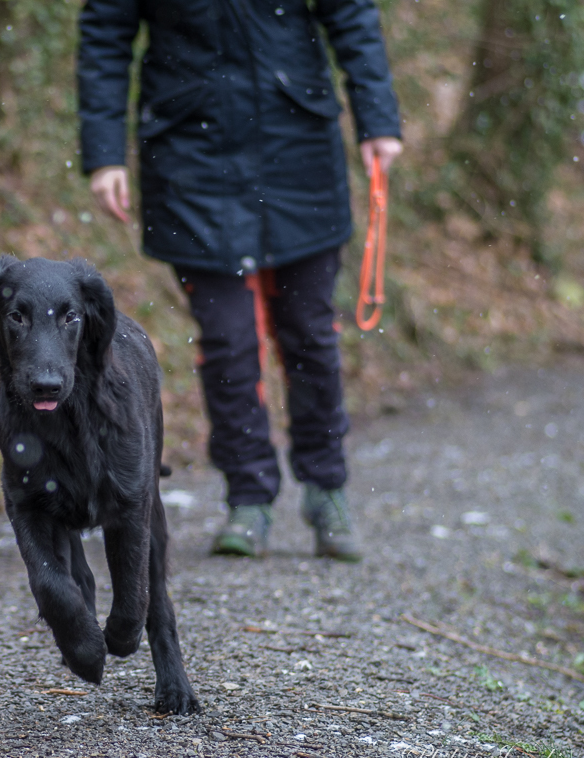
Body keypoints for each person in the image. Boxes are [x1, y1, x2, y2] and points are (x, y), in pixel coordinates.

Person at [77, 0, 402, 561]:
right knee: (228, 339)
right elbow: (105, 33)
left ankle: (327, 488)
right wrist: (104, 154)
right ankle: (248, 497)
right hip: (188, 154)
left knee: (308, 332)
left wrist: (379, 120)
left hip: (299, 144)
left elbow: (350, 13)